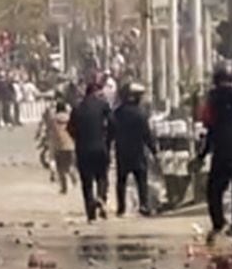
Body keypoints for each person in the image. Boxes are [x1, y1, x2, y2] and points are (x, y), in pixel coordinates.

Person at [199, 62, 232, 240]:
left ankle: (218, 222)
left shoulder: (213, 97)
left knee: (214, 189)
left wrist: (202, 154)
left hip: (221, 148)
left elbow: (209, 125)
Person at [68, 80, 113, 222]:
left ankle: (91, 213)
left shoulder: (77, 108)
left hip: (83, 150)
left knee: (87, 182)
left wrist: (79, 139)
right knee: (102, 177)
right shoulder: (103, 105)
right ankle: (101, 197)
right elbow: (113, 123)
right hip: (100, 147)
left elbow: (70, 129)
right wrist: (108, 140)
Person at [111, 82, 157, 217]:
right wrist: (154, 150)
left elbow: (110, 133)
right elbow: (147, 135)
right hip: (138, 152)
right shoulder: (141, 114)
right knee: (141, 180)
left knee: (121, 181)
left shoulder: (117, 113)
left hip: (122, 152)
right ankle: (144, 205)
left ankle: (121, 208)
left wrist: (108, 147)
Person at [43, 100, 76, 194]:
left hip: (59, 146)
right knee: (70, 166)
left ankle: (64, 188)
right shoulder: (70, 118)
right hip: (70, 144)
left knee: (61, 169)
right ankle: (74, 180)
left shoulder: (53, 119)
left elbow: (47, 121)